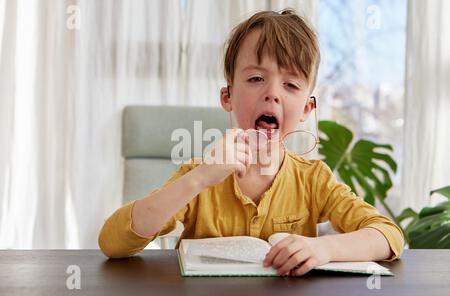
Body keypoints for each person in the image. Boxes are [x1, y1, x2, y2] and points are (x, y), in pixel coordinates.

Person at [99, 9, 404, 276]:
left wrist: (325, 248)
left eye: (291, 84)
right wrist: (200, 178)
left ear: (306, 110)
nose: (273, 93)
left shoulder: (314, 180)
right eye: (256, 78)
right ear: (227, 97)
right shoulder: (199, 176)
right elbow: (112, 243)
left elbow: (388, 236)